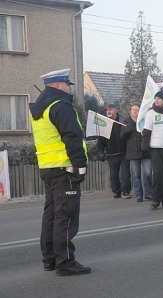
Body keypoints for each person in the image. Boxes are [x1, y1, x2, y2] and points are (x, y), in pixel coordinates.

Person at [30, 68, 91, 275]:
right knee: (66, 215)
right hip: (65, 168)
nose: (69, 88)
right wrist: (80, 167)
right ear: (57, 85)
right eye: (67, 84)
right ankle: (65, 262)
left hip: (48, 168)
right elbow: (72, 138)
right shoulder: (60, 106)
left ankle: (50, 259)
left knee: (52, 215)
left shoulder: (41, 108)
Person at [97, 104, 131, 199]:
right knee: (113, 175)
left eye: (111, 109)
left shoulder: (122, 121)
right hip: (111, 153)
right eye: (107, 109)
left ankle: (126, 192)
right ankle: (116, 192)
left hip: (124, 152)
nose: (109, 111)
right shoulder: (104, 124)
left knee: (125, 174)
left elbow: (128, 136)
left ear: (116, 110)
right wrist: (101, 151)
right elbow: (101, 139)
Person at [120, 103, 152, 202]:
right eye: (133, 109)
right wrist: (127, 130)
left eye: (137, 110)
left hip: (145, 150)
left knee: (147, 173)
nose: (135, 111)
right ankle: (139, 195)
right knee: (136, 174)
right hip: (133, 151)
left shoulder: (144, 120)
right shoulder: (126, 121)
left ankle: (148, 193)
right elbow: (122, 136)